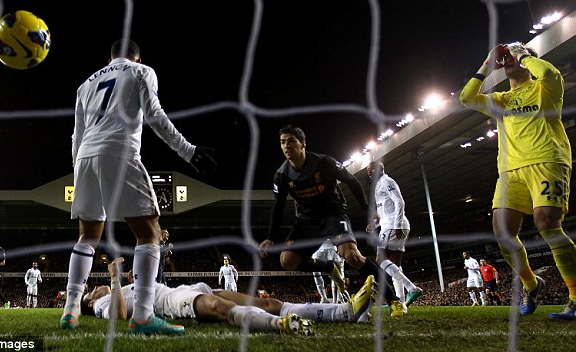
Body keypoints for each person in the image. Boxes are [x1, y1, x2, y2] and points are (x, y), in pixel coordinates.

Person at [60, 39, 217, 334]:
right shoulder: (141, 72)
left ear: (110, 58)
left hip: (84, 158)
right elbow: (155, 116)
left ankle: (70, 311)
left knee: (87, 237)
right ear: (138, 58)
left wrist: (80, 170)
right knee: (149, 232)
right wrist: (189, 151)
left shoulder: (85, 85)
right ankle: (143, 316)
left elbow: (75, 135)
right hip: (119, 151)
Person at [460, 42, 576, 319]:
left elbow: (548, 73)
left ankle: (574, 296)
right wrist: (488, 64)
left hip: (547, 161)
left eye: (513, 56)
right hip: (510, 171)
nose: (508, 59)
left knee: (547, 224)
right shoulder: (501, 101)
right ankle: (532, 284)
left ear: (526, 59)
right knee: (502, 233)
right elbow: (466, 98)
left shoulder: (544, 88)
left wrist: (522, 54)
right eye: (506, 58)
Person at [258, 125, 406, 318]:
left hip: (333, 215)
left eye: (291, 141)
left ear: (303, 144)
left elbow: (352, 182)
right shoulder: (281, 175)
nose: (286, 146)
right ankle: (327, 267)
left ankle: (394, 300)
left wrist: (366, 211)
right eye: (283, 142)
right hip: (306, 221)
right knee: (287, 261)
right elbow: (278, 207)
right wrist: (270, 237)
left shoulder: (323, 163)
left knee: (352, 256)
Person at [82, 258, 377, 334]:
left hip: (183, 288)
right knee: (220, 307)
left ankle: (345, 312)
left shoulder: (121, 290)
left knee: (269, 302)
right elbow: (120, 316)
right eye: (89, 292)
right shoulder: (103, 304)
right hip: (170, 302)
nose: (93, 288)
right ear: (90, 302)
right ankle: (278, 325)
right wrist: (113, 279)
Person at [365, 161, 422, 306]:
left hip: (393, 224)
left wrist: (396, 225)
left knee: (380, 259)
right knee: (395, 263)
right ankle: (401, 301)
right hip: (391, 223)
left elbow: (399, 202)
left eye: (372, 170)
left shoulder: (386, 181)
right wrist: (375, 224)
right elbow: (385, 211)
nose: (369, 173)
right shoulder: (379, 185)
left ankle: (412, 288)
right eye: (368, 171)